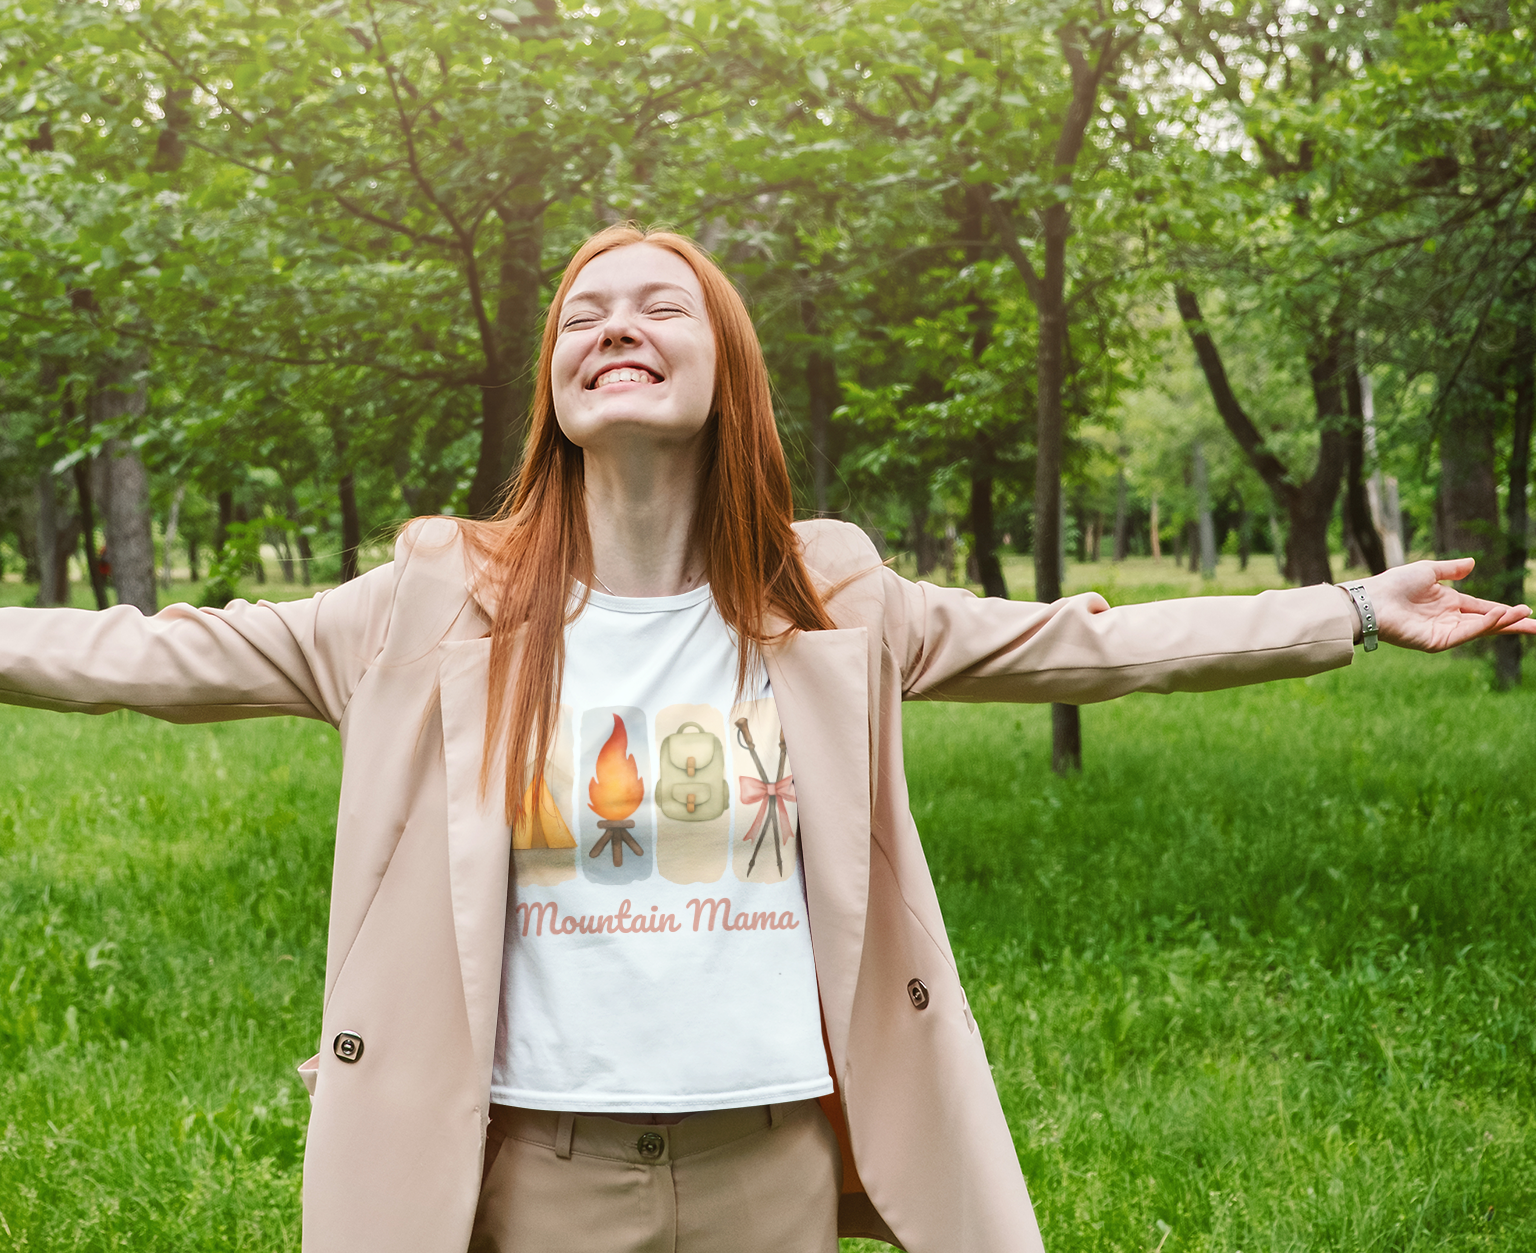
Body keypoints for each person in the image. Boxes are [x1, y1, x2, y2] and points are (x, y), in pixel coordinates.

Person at [0, 223, 1530, 1253]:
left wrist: (1352, 609)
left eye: (660, 304)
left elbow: (1090, 642)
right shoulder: (431, 599)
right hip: (532, 1173)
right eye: (584, 313)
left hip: (774, 1162)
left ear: (724, 363)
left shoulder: (831, 593)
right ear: (553, 382)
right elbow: (149, 654)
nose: (616, 324)